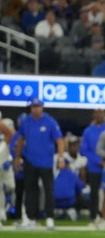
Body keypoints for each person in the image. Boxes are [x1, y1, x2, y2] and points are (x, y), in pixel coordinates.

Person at [13, 97, 65, 230]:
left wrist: (60, 158)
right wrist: (18, 158)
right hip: (30, 160)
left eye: (38, 106)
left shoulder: (50, 122)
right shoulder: (26, 121)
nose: (36, 109)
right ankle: (31, 218)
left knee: (48, 190)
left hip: (46, 161)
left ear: (42, 107)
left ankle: (49, 218)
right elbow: (20, 139)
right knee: (30, 190)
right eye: (33, 107)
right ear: (30, 108)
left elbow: (59, 140)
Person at [80, 109, 105, 225]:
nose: (99, 116)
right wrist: (98, 160)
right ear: (94, 115)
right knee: (94, 192)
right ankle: (93, 217)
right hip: (94, 167)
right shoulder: (88, 131)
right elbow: (84, 150)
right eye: (97, 114)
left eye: (101, 114)